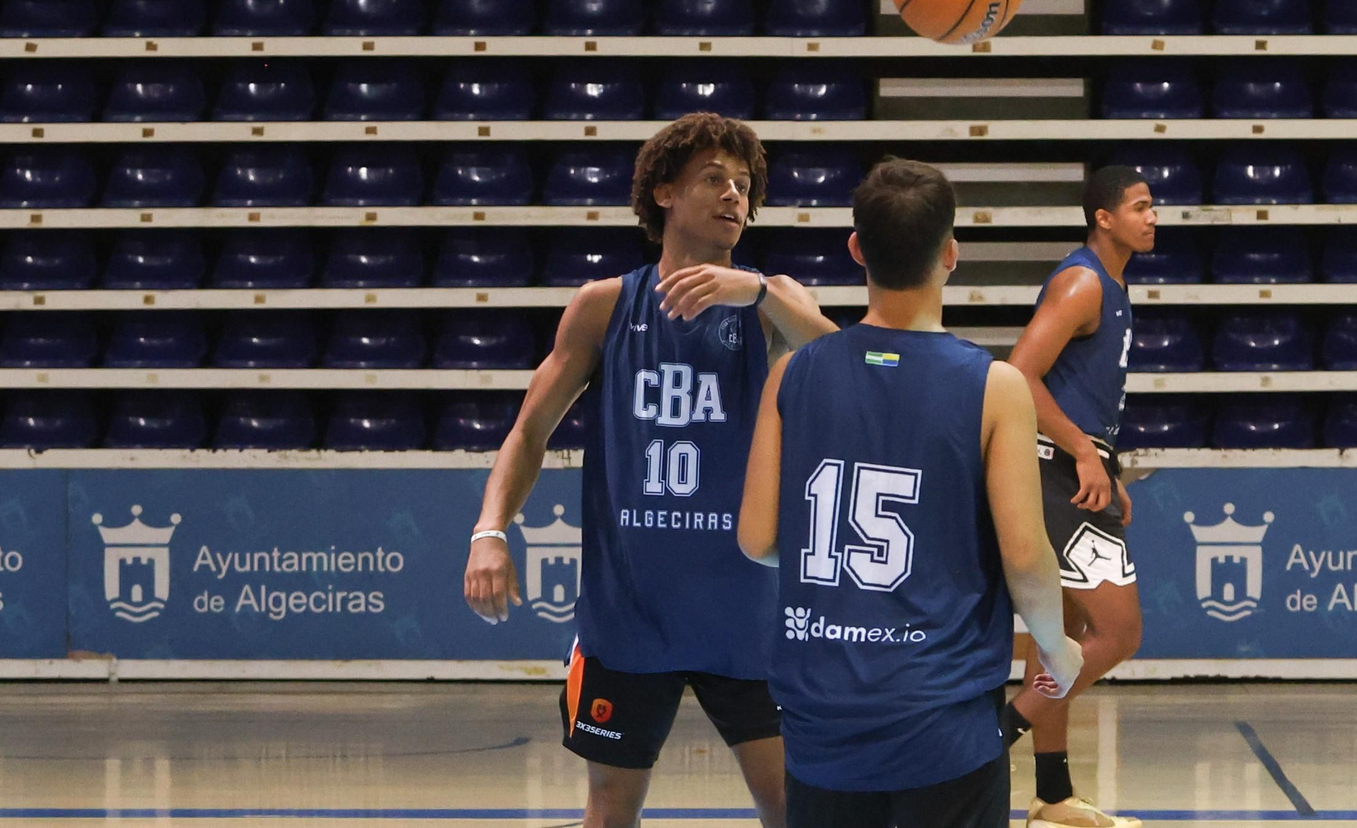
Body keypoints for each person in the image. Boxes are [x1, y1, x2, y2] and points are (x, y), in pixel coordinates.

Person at [463, 112, 837, 828]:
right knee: (610, 809)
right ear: (663, 193)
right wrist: (489, 530)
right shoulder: (606, 307)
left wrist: (758, 293)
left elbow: (852, 369)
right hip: (630, 618)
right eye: (713, 179)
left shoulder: (775, 303)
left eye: (744, 183)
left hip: (749, 615)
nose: (735, 195)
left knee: (792, 804)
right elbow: (529, 431)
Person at [738, 158, 1084, 828]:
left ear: (856, 249)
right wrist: (1056, 647)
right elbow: (1023, 555)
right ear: (951, 253)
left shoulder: (792, 373)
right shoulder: (993, 386)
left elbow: (757, 538)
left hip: (820, 722)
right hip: (942, 723)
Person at [1001, 165, 1156, 828]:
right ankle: (990, 737)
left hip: (1069, 467)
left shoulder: (1113, 284)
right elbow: (1016, 375)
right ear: (1104, 217)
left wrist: (1103, 462)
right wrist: (1084, 451)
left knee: (1055, 639)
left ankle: (1053, 794)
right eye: (1141, 207)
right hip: (1051, 473)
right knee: (1118, 633)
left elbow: (1074, 397)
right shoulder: (1083, 282)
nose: (1153, 217)